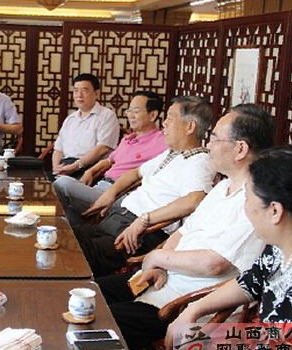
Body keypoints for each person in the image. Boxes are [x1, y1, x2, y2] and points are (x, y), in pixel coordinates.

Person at [97, 104, 274, 350]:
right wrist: (159, 264)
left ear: (240, 149)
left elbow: (214, 263)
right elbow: (182, 233)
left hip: (184, 302)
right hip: (160, 280)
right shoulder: (222, 187)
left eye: (215, 138)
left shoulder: (256, 201)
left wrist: (158, 257)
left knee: (98, 325)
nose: (208, 145)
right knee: (86, 294)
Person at [165, 145, 292, 350]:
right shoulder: (285, 245)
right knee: (186, 348)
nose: (245, 209)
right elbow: (249, 282)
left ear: (274, 211)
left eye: (247, 198)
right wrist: (193, 309)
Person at [74, 96, 216, 277]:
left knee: (73, 252)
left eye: (170, 118)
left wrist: (145, 219)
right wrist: (110, 193)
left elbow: (195, 200)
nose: (164, 123)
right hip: (118, 217)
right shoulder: (172, 153)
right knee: (64, 234)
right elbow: (135, 173)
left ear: (190, 127)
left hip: (138, 233)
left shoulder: (198, 162)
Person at [53, 90, 167, 224]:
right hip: (100, 186)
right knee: (61, 192)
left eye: (136, 111)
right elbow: (109, 161)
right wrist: (90, 171)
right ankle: (80, 229)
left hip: (117, 194)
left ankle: (79, 228)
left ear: (153, 115)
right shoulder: (128, 139)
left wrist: (116, 192)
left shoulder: (162, 142)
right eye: (129, 110)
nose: (130, 115)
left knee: (62, 184)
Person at [51, 73, 119, 179]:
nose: (79, 95)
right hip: (66, 166)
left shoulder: (107, 115)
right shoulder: (70, 119)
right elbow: (58, 149)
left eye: (85, 90)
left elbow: (102, 148)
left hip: (91, 169)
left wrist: (76, 166)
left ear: (96, 93)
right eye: (76, 90)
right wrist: (56, 168)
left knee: (61, 184)